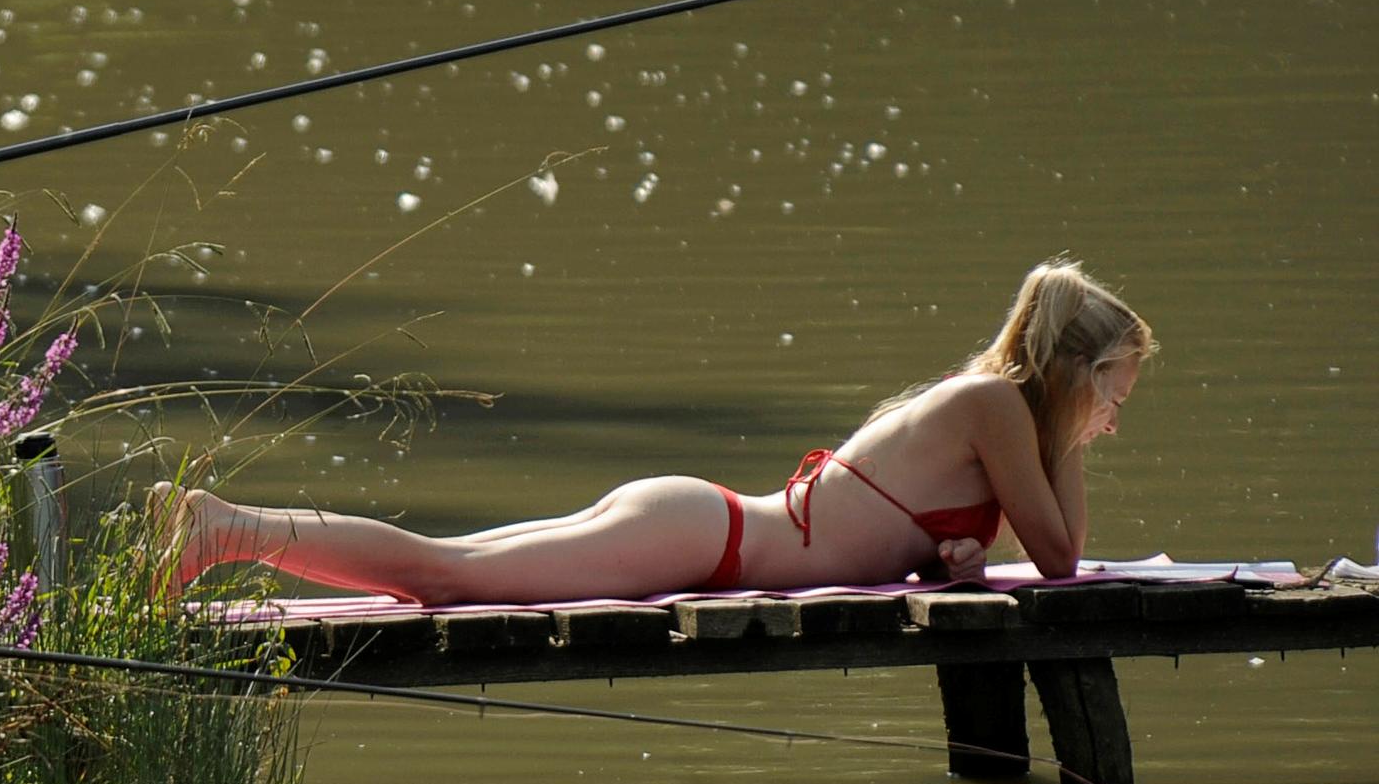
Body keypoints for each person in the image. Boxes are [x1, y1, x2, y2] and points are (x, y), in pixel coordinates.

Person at [158, 260, 1152, 604]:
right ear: (1073, 374)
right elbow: (1062, 562)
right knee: (442, 576)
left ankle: (226, 527)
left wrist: (954, 556)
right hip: (706, 537)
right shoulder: (996, 408)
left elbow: (964, 540)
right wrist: (1066, 438)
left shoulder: (989, 413)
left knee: (447, 564)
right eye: (1114, 391)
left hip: (701, 528)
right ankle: (224, 528)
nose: (1116, 416)